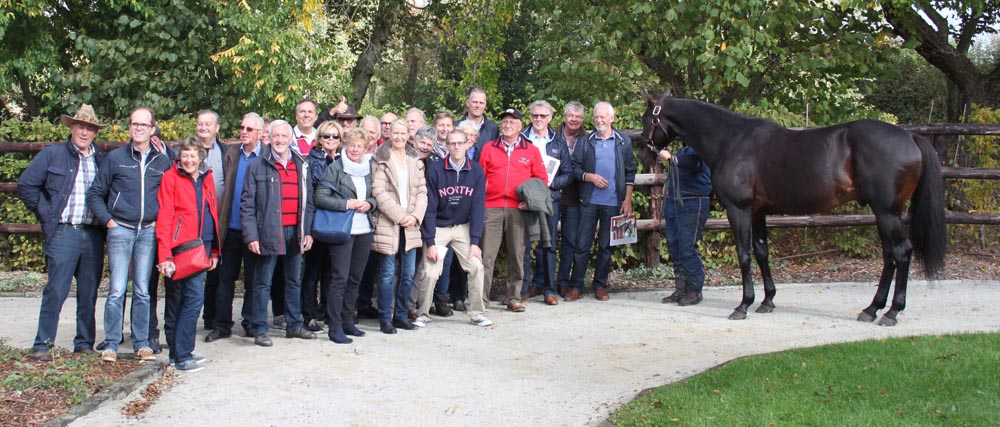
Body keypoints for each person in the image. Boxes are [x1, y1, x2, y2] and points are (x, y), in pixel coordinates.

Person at [18, 104, 107, 361]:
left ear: (95, 132)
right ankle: (43, 344)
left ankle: (84, 344)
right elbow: (27, 184)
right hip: (64, 231)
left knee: (89, 292)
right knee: (56, 290)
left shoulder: (101, 159)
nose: (84, 132)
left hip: (92, 233)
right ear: (72, 128)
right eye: (80, 127)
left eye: (90, 128)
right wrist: (46, 212)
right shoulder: (53, 154)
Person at [87, 107, 172, 363]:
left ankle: (141, 342)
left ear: (152, 129)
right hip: (121, 228)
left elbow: (171, 193)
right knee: (117, 288)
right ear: (129, 127)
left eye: (144, 125)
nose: (138, 128)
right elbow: (96, 193)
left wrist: (159, 222)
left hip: (148, 231)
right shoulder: (115, 158)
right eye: (135, 124)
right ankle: (112, 343)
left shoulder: (163, 161)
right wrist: (109, 221)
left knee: (143, 290)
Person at [241, 119, 316, 346]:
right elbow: (247, 205)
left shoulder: (301, 164)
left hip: (296, 231)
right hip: (269, 231)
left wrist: (308, 232)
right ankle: (259, 329)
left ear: (290, 138)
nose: (280, 140)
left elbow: (309, 203)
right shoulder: (257, 166)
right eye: (276, 136)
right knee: (263, 282)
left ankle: (294, 325)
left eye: (284, 136)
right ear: (269, 138)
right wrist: (251, 236)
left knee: (293, 281)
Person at [413, 130, 493, 328]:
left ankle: (476, 313)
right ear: (447, 146)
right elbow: (430, 208)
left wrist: (475, 242)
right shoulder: (436, 170)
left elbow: (477, 208)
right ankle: (423, 313)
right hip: (439, 227)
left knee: (476, 267)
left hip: (462, 228)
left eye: (460, 143)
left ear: (467, 144)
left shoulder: (476, 171)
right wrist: (430, 242)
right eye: (452, 143)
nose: (457, 147)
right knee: (430, 272)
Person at [156, 137, 220, 373]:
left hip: (202, 246)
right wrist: (165, 255)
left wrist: (214, 249)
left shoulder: (206, 177)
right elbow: (165, 216)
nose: (189, 160)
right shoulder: (170, 177)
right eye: (185, 155)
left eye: (193, 155)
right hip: (180, 247)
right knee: (186, 299)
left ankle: (180, 352)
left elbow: (212, 212)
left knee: (189, 299)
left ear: (201, 157)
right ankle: (181, 355)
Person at [478, 108, 547, 312]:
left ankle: (514, 297)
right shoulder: (489, 148)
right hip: (491, 207)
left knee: (517, 255)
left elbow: (541, 180)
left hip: (518, 208)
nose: (507, 125)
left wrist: (530, 202)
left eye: (512, 122)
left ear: (520, 126)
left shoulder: (531, 150)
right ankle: (480, 299)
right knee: (486, 256)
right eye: (505, 122)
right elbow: (480, 178)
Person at [566, 102, 635, 302]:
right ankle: (576, 286)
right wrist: (589, 177)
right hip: (589, 201)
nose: (599, 120)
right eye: (596, 117)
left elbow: (630, 171)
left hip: (614, 203)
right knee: (582, 246)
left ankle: (600, 285)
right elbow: (574, 168)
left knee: (606, 247)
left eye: (602, 117)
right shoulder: (586, 141)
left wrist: (627, 199)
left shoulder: (623, 141)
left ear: (611, 118)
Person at [314, 129, 378, 343]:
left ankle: (348, 321)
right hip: (343, 231)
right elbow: (320, 197)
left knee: (355, 278)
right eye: (351, 145)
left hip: (364, 229)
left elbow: (376, 195)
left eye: (359, 146)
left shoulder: (369, 168)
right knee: (339, 278)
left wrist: (370, 204)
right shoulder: (336, 168)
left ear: (366, 148)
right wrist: (346, 204)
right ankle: (334, 327)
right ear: (345, 146)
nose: (354, 149)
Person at [207, 113, 264, 342]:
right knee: (224, 279)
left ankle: (249, 323)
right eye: (242, 127)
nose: (244, 132)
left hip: (254, 230)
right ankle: (221, 325)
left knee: (253, 280)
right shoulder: (231, 154)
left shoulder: (266, 157)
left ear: (260, 133)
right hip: (230, 226)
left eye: (249, 129)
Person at [371, 119, 427, 334]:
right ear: (390, 134)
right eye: (396, 133)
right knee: (387, 274)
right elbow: (378, 191)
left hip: (411, 224)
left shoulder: (415, 159)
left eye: (403, 133)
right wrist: (400, 216)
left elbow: (422, 191)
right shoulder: (381, 157)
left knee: (409, 273)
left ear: (408, 135)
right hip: (389, 223)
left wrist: (415, 216)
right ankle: (385, 318)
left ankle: (401, 315)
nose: (399, 137)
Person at [520, 100, 573, 305]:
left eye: (543, 116)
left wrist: (551, 183)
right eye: (535, 115)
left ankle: (549, 290)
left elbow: (568, 174)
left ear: (550, 118)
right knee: (523, 245)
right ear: (530, 116)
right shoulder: (521, 140)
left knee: (548, 245)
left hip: (550, 199)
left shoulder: (558, 143)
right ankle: (523, 289)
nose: (539, 119)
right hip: (525, 200)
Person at [301, 120, 343, 332]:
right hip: (317, 220)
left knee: (331, 270)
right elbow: (315, 193)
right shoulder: (312, 161)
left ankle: (327, 310)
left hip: (338, 221)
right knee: (312, 272)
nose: (331, 139)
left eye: (335, 136)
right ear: (319, 138)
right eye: (327, 135)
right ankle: (308, 315)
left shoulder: (344, 159)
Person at [658, 145, 712, 306]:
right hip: (675, 201)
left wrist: (672, 158)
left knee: (687, 246)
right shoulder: (683, 149)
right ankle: (681, 289)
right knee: (674, 246)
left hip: (693, 200)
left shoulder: (701, 147)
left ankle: (695, 290)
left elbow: (695, 164)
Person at [195, 109, 228, 332]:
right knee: (191, 271)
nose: (204, 128)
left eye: (208, 124)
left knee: (216, 271)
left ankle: (211, 317)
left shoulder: (226, 152)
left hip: (219, 220)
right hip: (193, 220)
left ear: (217, 128)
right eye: (200, 124)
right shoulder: (186, 150)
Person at [555, 102, 588, 297]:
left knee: (570, 241)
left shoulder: (588, 139)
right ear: (564, 117)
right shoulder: (551, 135)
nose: (574, 119)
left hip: (575, 197)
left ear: (583, 119)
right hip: (551, 195)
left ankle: (563, 281)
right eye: (571, 115)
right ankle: (542, 281)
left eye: (578, 116)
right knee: (546, 240)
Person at [457, 87, 499, 161]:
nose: (478, 106)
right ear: (468, 103)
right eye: (475, 102)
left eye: (481, 103)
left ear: (485, 105)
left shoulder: (493, 129)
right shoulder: (456, 126)